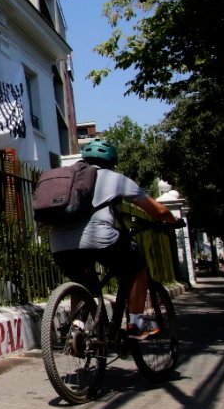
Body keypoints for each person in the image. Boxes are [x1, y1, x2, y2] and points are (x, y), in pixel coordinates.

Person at [48, 138, 179, 339]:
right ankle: (136, 323)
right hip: (99, 239)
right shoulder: (115, 179)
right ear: (111, 162)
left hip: (59, 244)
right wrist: (173, 220)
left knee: (80, 281)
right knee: (137, 266)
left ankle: (76, 329)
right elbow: (159, 210)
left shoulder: (69, 177)